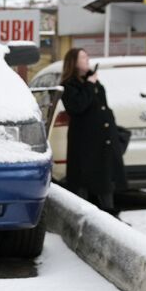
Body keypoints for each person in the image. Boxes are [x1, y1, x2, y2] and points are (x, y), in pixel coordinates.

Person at [59, 47, 127, 218]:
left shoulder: (94, 81)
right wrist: (89, 85)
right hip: (84, 141)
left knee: (105, 178)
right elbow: (78, 106)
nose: (87, 59)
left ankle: (110, 216)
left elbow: (102, 107)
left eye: (87, 56)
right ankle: (83, 217)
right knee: (82, 179)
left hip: (103, 139)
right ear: (73, 62)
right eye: (83, 57)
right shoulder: (69, 85)